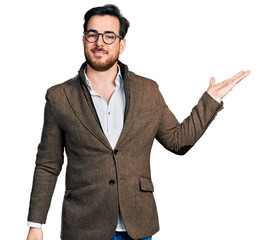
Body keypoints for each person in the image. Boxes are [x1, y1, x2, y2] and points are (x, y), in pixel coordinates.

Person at [26, 4, 250, 240]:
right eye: (92, 35)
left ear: (121, 44)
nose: (99, 42)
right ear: (83, 40)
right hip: (84, 225)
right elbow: (48, 165)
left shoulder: (148, 91)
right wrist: (35, 224)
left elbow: (178, 141)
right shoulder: (59, 96)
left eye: (109, 36)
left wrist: (211, 99)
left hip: (138, 225)